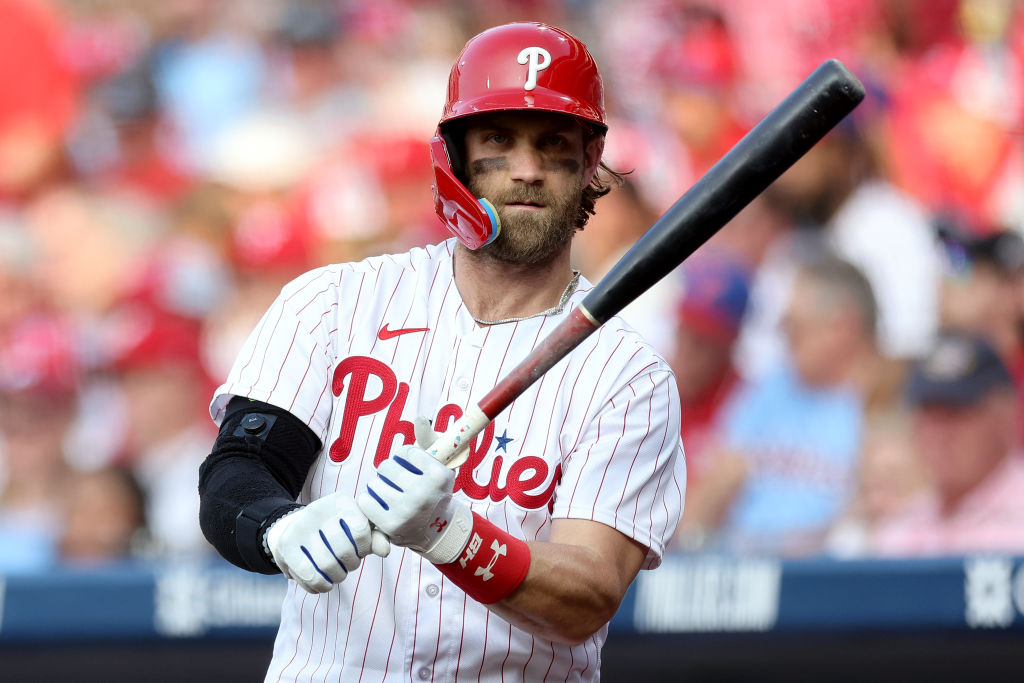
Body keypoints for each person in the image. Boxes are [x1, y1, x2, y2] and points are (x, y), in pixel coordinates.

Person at [198, 23, 684, 682]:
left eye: (553, 144)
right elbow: (238, 470)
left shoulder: (626, 372)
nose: (527, 169)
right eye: (497, 141)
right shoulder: (337, 302)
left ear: (590, 161)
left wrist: (450, 534)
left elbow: (589, 594)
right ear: (453, 156)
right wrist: (280, 528)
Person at [678, 256, 877, 556]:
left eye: (795, 327)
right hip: (742, 569)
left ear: (842, 328)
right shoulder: (769, 391)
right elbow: (705, 500)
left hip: (832, 581)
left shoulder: (881, 402)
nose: (785, 337)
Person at [871, 331, 1024, 556]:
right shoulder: (899, 528)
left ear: (1005, 413)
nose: (938, 434)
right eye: (926, 414)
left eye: (955, 413)